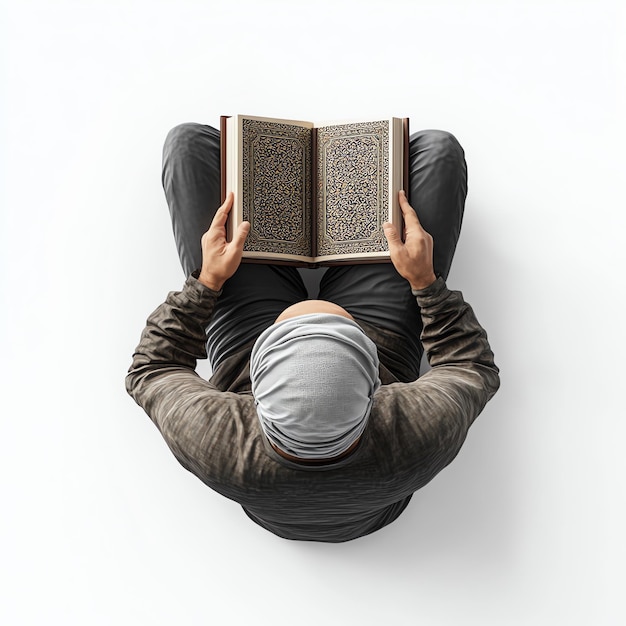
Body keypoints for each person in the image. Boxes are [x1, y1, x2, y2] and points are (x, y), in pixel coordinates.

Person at [126, 122, 500, 542]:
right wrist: (425, 283)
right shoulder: (419, 434)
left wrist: (207, 282)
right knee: (436, 149)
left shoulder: (215, 439)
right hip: (385, 351)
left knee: (189, 143)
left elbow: (151, 370)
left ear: (256, 396)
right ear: (375, 391)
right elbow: (472, 367)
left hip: (242, 351)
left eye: (290, 326)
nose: (310, 307)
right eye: (342, 326)